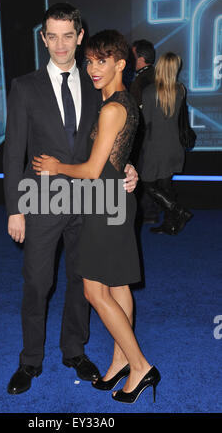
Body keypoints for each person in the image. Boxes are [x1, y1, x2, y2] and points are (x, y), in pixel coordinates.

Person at [3, 3, 139, 395]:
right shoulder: (24, 86)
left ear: (80, 37)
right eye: (52, 35)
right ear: (43, 38)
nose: (60, 44)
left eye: (68, 35)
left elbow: (116, 140)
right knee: (37, 282)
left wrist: (130, 170)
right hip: (41, 200)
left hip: (91, 199)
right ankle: (30, 360)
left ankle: (74, 349)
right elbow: (14, 153)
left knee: (84, 281)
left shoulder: (97, 80)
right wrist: (15, 208)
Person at [32, 30, 160, 404]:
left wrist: (56, 166)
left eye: (101, 60)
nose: (93, 68)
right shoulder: (124, 102)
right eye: (89, 61)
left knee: (93, 289)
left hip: (105, 205)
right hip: (114, 201)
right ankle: (121, 360)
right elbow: (117, 157)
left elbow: (91, 169)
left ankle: (139, 366)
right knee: (118, 286)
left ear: (121, 63)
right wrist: (127, 169)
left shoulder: (111, 108)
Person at [138, 52, 193, 235]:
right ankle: (170, 224)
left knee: (148, 185)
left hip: (155, 146)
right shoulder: (181, 89)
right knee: (165, 186)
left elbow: (145, 122)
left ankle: (179, 211)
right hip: (174, 146)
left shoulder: (149, 91)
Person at [129, 39, 160, 224]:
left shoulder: (143, 80)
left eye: (132, 56)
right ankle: (151, 212)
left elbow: (139, 111)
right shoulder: (155, 76)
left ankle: (149, 213)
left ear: (140, 58)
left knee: (143, 174)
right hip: (155, 137)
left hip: (145, 137)